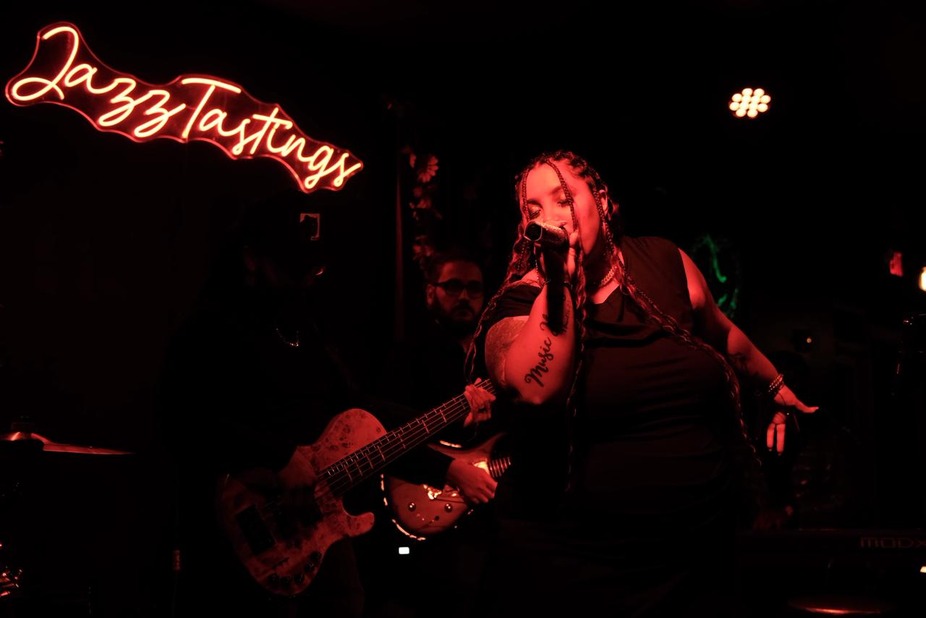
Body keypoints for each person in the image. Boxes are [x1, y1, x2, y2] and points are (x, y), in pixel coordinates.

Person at [464, 150, 818, 617]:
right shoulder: (521, 301)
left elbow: (723, 333)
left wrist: (774, 387)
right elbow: (536, 388)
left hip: (694, 566)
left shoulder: (664, 260)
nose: (549, 218)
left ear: (602, 200)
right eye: (534, 211)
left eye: (563, 200)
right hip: (580, 576)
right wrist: (560, 282)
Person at [154, 190, 495, 618]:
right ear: (251, 258)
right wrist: (278, 458)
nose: (307, 277)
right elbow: (181, 417)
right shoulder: (211, 328)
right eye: (291, 264)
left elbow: (357, 411)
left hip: (318, 534)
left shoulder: (300, 327)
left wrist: (449, 439)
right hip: (234, 542)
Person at [363, 248, 502, 618]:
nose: (464, 296)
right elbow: (386, 431)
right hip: (426, 508)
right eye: (453, 286)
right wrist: (456, 426)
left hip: (485, 512)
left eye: (474, 288)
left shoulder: (494, 357)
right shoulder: (409, 353)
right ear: (430, 292)